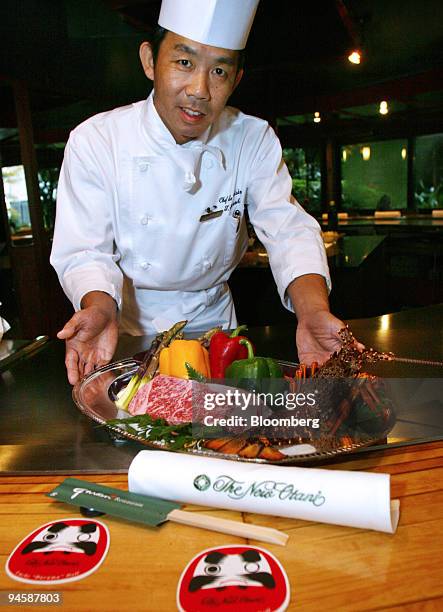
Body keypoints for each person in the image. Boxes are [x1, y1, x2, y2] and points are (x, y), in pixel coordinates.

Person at [51, 0, 358, 385]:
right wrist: (98, 306)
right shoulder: (97, 140)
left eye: (218, 71)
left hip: (216, 326)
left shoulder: (253, 138)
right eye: (184, 63)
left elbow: (288, 230)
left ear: (236, 79)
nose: (199, 90)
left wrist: (312, 312)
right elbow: (84, 250)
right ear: (149, 61)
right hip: (126, 328)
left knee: (222, 431)